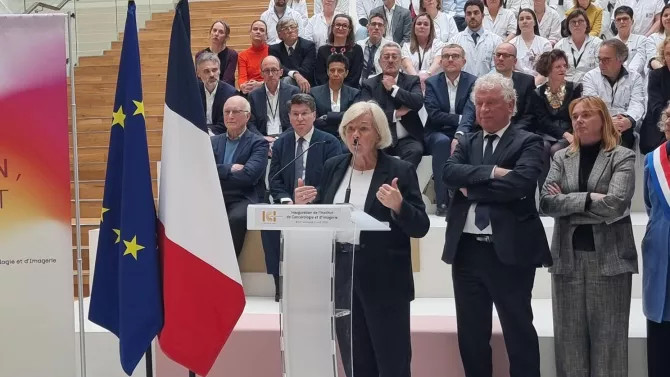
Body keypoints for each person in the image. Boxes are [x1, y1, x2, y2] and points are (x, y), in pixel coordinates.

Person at [294, 100, 430, 377]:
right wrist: (304, 206)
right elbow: (326, 217)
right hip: (342, 275)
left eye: (363, 128)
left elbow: (421, 227)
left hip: (385, 280)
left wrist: (399, 206)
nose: (355, 135)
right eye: (350, 128)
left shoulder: (399, 170)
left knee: (392, 361)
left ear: (379, 134)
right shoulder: (334, 166)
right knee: (356, 360)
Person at [442, 72, 551, 377]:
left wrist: (472, 185)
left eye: (491, 103)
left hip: (510, 251)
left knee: (518, 333)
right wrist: (493, 171)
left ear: (510, 105)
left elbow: (519, 185)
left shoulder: (528, 141)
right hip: (466, 253)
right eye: (479, 103)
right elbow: (449, 174)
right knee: (472, 336)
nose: (484, 110)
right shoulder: (468, 141)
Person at [540, 95, 637, 377]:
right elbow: (546, 202)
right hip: (567, 259)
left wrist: (569, 201)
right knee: (569, 342)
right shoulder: (561, 156)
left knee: (609, 343)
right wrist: (589, 199)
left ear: (602, 119)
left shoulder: (623, 156)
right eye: (575, 116)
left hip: (609, 261)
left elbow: (615, 204)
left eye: (586, 115)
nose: (578, 121)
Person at [263, 94, 343, 301]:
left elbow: (333, 179)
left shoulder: (329, 142)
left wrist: (310, 197)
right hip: (289, 204)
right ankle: (279, 280)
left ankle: (323, 281)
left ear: (314, 115)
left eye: (304, 114)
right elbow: (275, 179)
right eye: (295, 114)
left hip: (320, 204)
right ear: (289, 117)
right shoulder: (281, 144)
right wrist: (288, 201)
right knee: (269, 226)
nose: (300, 118)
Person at [211, 96, 270, 257]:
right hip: (216, 195)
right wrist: (229, 169)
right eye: (227, 112)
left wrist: (218, 173)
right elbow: (203, 170)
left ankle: (228, 266)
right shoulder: (212, 142)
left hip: (244, 197)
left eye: (235, 112)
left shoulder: (258, 143)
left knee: (236, 219)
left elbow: (249, 177)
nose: (230, 116)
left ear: (247, 116)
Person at [424, 43, 477, 216]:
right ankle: (442, 202)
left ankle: (467, 199)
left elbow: (471, 111)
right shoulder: (431, 82)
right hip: (437, 131)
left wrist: (460, 133)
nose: (450, 59)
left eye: (455, 56)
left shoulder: (473, 81)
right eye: (446, 56)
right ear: (441, 61)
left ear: (464, 61)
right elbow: (434, 114)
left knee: (467, 142)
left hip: (466, 130)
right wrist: (460, 119)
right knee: (441, 143)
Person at [360, 42, 425, 168]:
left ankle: (400, 186)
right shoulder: (369, 84)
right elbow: (366, 112)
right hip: (379, 137)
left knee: (416, 151)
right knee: (372, 154)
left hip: (407, 139)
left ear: (401, 61)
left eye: (394, 57)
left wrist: (394, 89)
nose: (390, 60)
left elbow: (417, 102)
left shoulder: (412, 80)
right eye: (386, 57)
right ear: (379, 62)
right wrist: (395, 114)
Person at [642, 103, 670, 377]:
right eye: (669, 117)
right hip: (661, 249)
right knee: (660, 324)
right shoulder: (652, 159)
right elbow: (650, 205)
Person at [530, 49, 583, 187]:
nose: (563, 69)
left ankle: (564, 191)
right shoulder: (537, 93)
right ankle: (544, 192)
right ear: (548, 69)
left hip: (570, 131)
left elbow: (576, 115)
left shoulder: (575, 88)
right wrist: (564, 134)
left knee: (557, 150)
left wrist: (570, 134)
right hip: (546, 132)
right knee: (542, 147)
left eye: (564, 65)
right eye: (558, 66)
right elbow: (542, 121)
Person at [582, 38, 645, 150]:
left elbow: (637, 103)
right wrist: (609, 122)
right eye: (599, 59)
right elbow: (592, 105)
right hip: (599, 124)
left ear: (620, 60)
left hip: (624, 126)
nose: (601, 64)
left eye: (606, 60)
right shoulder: (590, 77)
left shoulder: (635, 77)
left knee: (622, 143)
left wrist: (629, 121)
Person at [248, 56, 301, 146]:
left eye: (274, 70)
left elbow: (297, 120)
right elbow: (250, 123)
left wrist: (279, 138)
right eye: (266, 71)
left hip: (287, 138)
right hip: (262, 140)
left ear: (281, 72)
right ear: (261, 74)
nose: (271, 74)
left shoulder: (293, 92)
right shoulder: (253, 95)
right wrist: (262, 139)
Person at [311, 54, 360, 146]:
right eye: (332, 70)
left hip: (347, 138)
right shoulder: (314, 93)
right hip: (321, 139)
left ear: (346, 73)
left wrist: (327, 117)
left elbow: (354, 116)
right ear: (327, 72)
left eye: (340, 70)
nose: (336, 74)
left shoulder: (355, 93)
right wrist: (343, 116)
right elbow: (315, 120)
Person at [448, 0, 503, 77]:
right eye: (469, 13)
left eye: (476, 13)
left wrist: (483, 83)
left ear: (483, 16)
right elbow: (452, 67)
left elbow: (497, 67)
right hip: (463, 86)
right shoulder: (455, 41)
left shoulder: (496, 40)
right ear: (465, 17)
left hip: (487, 86)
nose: (472, 16)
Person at [315, 14, 365, 87]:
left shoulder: (357, 50)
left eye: (345, 26)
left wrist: (341, 91)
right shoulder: (322, 50)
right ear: (332, 28)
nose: (341, 28)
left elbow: (355, 77)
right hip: (326, 90)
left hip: (349, 92)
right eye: (338, 25)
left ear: (349, 30)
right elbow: (320, 76)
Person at [554, 9, 603, 82]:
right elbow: (555, 70)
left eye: (580, 21)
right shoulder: (560, 45)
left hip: (590, 84)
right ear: (568, 26)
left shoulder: (597, 43)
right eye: (573, 22)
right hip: (565, 85)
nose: (577, 24)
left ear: (587, 24)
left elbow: (600, 70)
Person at [269, 18, 317, 92]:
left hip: (306, 84)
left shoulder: (309, 46)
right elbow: (277, 69)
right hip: (284, 84)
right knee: (286, 80)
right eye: (285, 29)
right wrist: (294, 74)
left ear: (297, 30)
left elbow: (307, 70)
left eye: (293, 27)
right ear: (279, 35)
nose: (290, 31)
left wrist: (293, 74)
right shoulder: (274, 49)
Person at [196, 52, 238, 136]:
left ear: (219, 71)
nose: (212, 75)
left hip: (222, 136)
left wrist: (209, 133)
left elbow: (227, 121)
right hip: (197, 134)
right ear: (198, 74)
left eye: (214, 70)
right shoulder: (193, 92)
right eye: (206, 71)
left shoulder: (230, 93)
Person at [641, 37, 670, 154]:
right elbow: (656, 107)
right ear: (664, 57)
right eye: (668, 54)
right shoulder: (656, 75)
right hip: (659, 125)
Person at [510, 8, 553, 85]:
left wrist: (533, 85)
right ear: (518, 24)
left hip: (540, 84)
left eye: (528, 18)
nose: (524, 21)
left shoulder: (545, 43)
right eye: (521, 19)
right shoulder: (511, 44)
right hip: (518, 84)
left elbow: (547, 70)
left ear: (534, 22)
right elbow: (510, 69)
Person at [613, 6, 657, 77]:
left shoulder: (641, 40)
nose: (622, 22)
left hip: (636, 81)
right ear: (615, 23)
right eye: (618, 19)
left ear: (632, 21)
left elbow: (639, 62)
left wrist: (625, 75)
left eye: (625, 18)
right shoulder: (610, 43)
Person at [400, 13, 445, 83]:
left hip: (433, 85)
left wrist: (427, 75)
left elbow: (438, 62)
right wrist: (418, 81)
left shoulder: (439, 44)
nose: (422, 26)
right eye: (419, 23)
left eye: (426, 24)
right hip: (412, 84)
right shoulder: (406, 46)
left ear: (431, 29)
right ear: (414, 27)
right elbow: (407, 66)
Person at [195, 20, 238, 87]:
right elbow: (199, 78)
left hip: (224, 91)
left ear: (226, 37)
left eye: (221, 32)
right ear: (210, 33)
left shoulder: (232, 55)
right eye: (214, 30)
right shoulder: (200, 55)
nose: (216, 34)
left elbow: (228, 80)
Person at [356, 13, 393, 84]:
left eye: (380, 25)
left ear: (384, 29)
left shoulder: (391, 47)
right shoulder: (358, 45)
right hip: (360, 86)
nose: (376, 27)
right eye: (373, 24)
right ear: (367, 27)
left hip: (381, 86)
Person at [238, 20, 270, 95]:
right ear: (250, 33)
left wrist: (260, 84)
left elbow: (275, 77)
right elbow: (242, 78)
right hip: (250, 90)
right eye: (255, 29)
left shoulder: (272, 51)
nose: (258, 32)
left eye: (262, 30)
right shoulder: (243, 55)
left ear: (266, 36)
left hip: (268, 88)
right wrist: (243, 85)